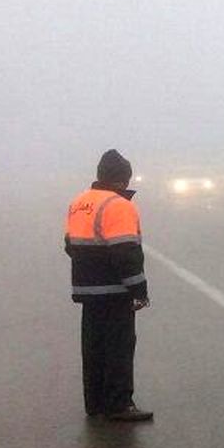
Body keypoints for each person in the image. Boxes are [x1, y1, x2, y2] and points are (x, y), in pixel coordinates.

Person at [65, 149, 153, 422]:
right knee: (119, 346)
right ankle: (118, 404)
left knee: (93, 347)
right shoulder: (118, 205)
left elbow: (70, 245)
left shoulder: (79, 202)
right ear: (123, 179)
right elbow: (126, 253)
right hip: (115, 291)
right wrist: (139, 290)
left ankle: (96, 403)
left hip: (87, 291)